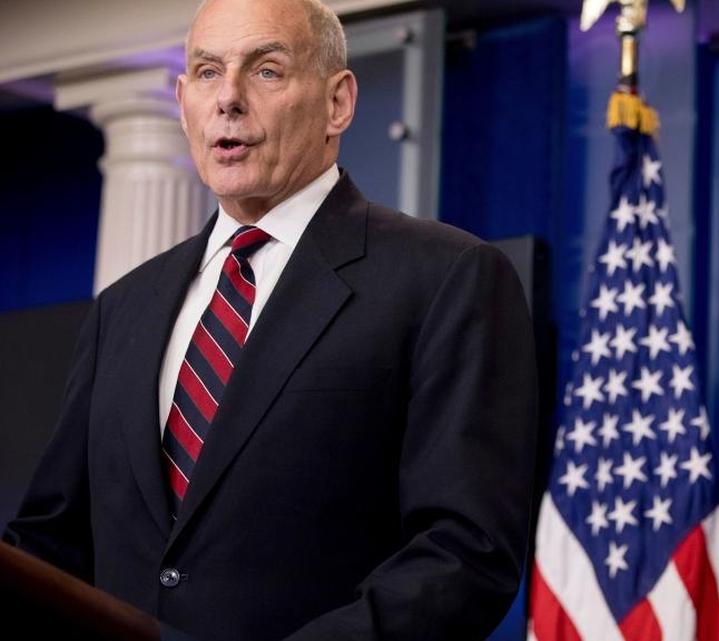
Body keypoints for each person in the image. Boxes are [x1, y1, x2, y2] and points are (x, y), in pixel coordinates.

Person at [2, 0, 538, 639]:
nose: (227, 99)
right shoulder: (123, 307)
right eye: (206, 72)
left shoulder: (446, 277)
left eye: (266, 71)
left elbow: (464, 552)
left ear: (337, 102)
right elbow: (50, 540)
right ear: (182, 102)